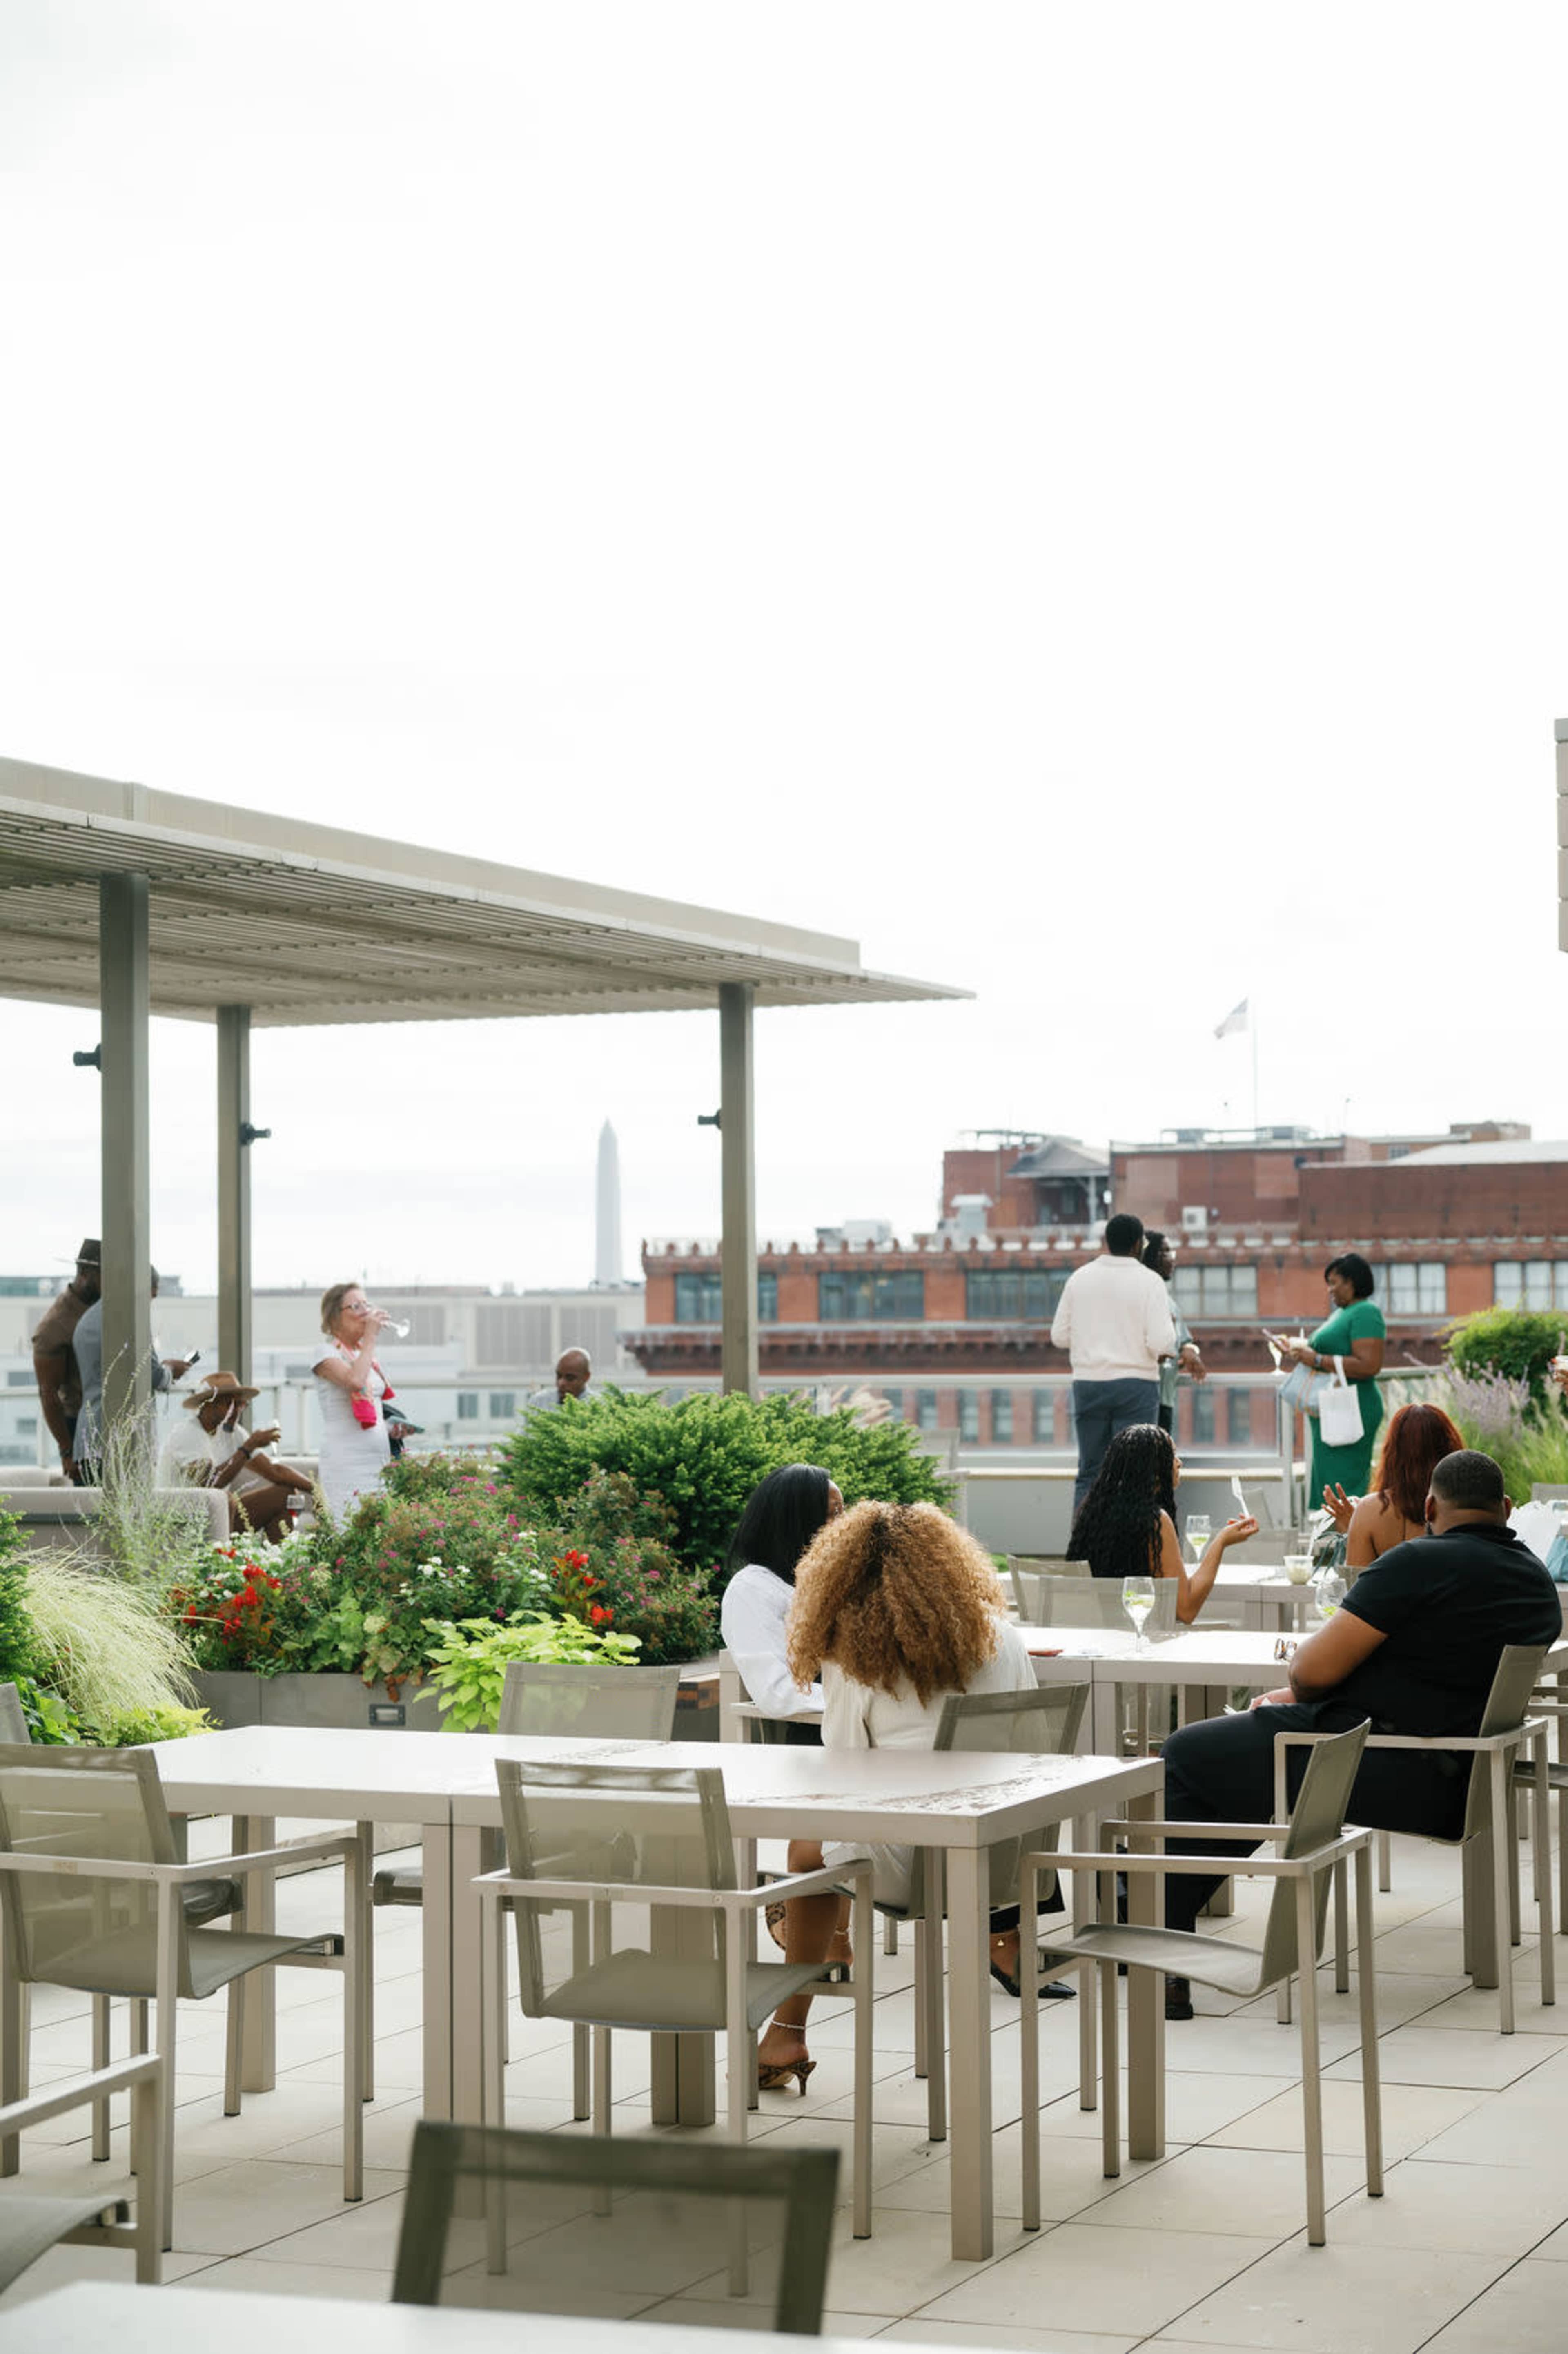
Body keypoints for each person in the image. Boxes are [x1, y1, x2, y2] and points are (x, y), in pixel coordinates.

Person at [1153, 1449, 1561, 2017]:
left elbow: (1309, 1672)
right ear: (1507, 1508)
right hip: (1465, 1780)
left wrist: (1299, 1692)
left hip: (1382, 1764)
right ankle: (1153, 1914)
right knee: (1241, 1762)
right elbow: (1432, 1673)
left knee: (1187, 1752)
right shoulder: (1537, 1583)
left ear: (1430, 1507)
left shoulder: (1417, 1564)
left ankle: (1161, 1950)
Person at [755, 1501, 1062, 2092]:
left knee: (805, 1851)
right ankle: (826, 1952)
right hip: (1007, 1862)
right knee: (826, 1844)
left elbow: (842, 1771)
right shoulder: (1003, 1635)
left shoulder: (858, 1655)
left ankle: (789, 2024)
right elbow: (1034, 1749)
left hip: (917, 1868)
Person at [1050, 1213, 1176, 1516]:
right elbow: (1162, 1343)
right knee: (1135, 1475)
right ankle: (1129, 1554)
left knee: (1090, 1472)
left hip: (1088, 1385)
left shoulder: (1080, 1278)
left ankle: (1084, 1552)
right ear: (1138, 1245)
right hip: (1136, 1386)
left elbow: (1059, 1337)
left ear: (1107, 1241)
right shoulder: (1150, 1281)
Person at [1069, 1423, 1258, 1623]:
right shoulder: (1155, 1522)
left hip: (1099, 1640)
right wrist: (1221, 1542)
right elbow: (1186, 1610)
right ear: (1153, 1468)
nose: (1179, 1463)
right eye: (1172, 1455)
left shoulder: (1092, 1516)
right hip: (1147, 1643)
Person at [720, 1463, 844, 1735]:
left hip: (874, 1731)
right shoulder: (752, 1589)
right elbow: (778, 1692)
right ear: (794, 1523)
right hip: (821, 1748)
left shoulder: (840, 1581)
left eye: (842, 1512)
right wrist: (863, 1705)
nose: (844, 1525)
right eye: (830, 1515)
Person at [1270, 1253, 1385, 1509]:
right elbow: (1332, 1351)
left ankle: (1347, 1543)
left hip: (1352, 1409)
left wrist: (1317, 1360)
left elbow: (1370, 1365)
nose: (1330, 1291)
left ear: (1352, 1282)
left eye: (1335, 1283)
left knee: (1344, 1485)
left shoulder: (1366, 1312)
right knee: (1329, 1483)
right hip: (1333, 1410)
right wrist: (1298, 1348)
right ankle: (1331, 1542)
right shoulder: (1342, 1314)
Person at [70, 1268, 194, 1483]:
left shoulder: (87, 1320)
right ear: (142, 1289)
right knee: (127, 1514)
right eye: (152, 1296)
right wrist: (172, 1371)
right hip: (121, 1443)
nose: (149, 1304)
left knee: (93, 1513)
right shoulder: (130, 1320)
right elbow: (153, 1376)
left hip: (88, 1439)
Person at [160, 1370, 314, 1541]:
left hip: (221, 1513)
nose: (237, 1410)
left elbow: (275, 1471)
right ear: (208, 1405)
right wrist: (248, 1448)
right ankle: (228, 1560)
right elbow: (210, 1484)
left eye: (241, 1404)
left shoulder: (232, 1432)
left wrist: (317, 1491)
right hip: (187, 1520)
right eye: (229, 1403)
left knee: (286, 1493)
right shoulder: (188, 1433)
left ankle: (279, 1562)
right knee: (228, 1500)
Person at [1322, 1400, 1465, 1570]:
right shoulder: (1468, 1506)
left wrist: (1354, 1528)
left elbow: (1358, 1588)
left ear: (1392, 1453)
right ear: (1451, 1449)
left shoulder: (1370, 1511)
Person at [310, 1283, 395, 1520]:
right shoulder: (325, 1353)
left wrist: (391, 1428)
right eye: (356, 1306)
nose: (365, 1312)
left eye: (366, 1305)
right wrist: (371, 1338)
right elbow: (355, 1381)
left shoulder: (364, 1355)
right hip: (346, 1461)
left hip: (377, 1461)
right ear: (335, 1317)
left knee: (378, 1531)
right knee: (348, 1528)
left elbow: (372, 1406)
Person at [30, 1238, 100, 1481]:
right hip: (78, 1430)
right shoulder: (55, 1326)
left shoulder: (103, 1309)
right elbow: (48, 1393)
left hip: (108, 1423)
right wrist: (67, 1451)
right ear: (85, 1273)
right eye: (105, 1275)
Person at [1140, 1231, 1205, 1433]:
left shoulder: (1169, 1301)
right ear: (1152, 1256)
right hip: (1144, 1399)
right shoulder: (1140, 1295)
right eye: (1167, 1253)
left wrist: (1189, 1349)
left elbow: (1183, 1339)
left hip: (1165, 1399)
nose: (1173, 1260)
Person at [525, 1349, 592, 1412]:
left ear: (586, 1377)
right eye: (559, 1376)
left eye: (570, 1379)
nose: (561, 1383)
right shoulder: (539, 1402)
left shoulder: (598, 1407)